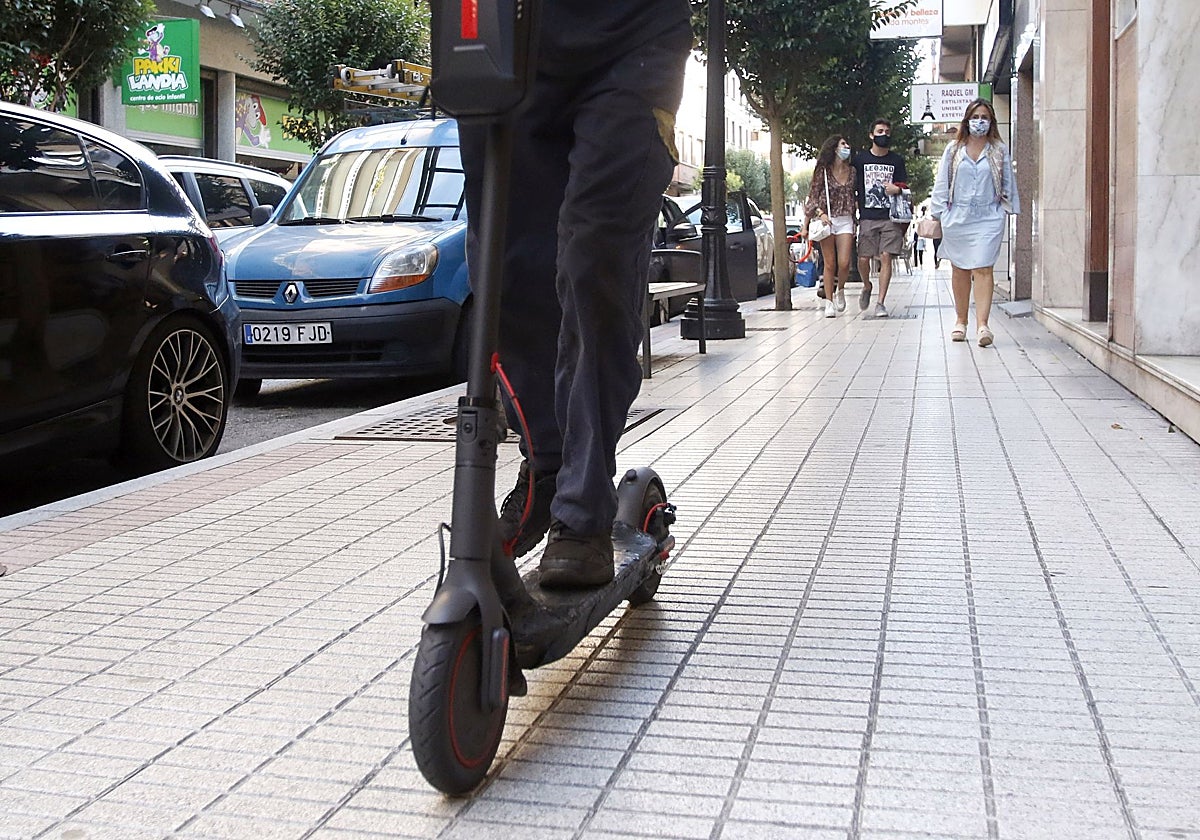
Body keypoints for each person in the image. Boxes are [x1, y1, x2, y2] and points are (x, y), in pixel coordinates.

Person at [456, 2, 691, 589]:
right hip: (502, 35)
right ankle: (549, 463)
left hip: (633, 39)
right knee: (503, 267)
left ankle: (583, 515)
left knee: (593, 256)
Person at [930, 98, 1020, 347]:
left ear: (991, 122)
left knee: (983, 267)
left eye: (984, 117)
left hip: (988, 216)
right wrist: (938, 213)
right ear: (967, 120)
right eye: (975, 117)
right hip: (957, 217)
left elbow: (1007, 182)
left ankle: (983, 325)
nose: (979, 121)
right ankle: (961, 320)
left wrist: (1008, 209)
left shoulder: (999, 149)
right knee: (960, 268)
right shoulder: (954, 150)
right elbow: (942, 182)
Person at [852, 118, 908, 318]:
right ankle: (867, 285)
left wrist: (898, 189)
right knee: (863, 258)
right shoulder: (860, 160)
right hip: (867, 217)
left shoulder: (897, 161)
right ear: (871, 135)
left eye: (886, 131)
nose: (884, 134)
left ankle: (880, 302)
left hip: (890, 217)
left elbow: (906, 189)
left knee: (886, 256)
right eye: (880, 131)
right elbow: (851, 186)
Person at [803, 135, 857, 317]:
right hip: (827, 220)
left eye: (846, 144)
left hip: (845, 219)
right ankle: (829, 301)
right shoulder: (823, 171)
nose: (846, 146)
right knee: (829, 263)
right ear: (834, 148)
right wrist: (819, 214)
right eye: (843, 144)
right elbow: (813, 196)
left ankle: (840, 289)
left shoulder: (852, 171)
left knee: (844, 263)